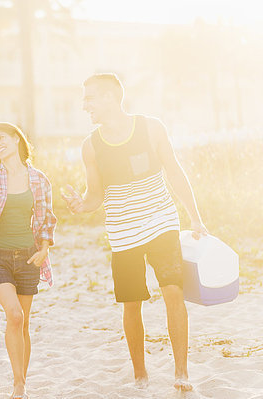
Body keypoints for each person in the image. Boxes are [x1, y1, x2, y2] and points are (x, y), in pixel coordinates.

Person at [62, 73, 208, 391]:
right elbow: (95, 195)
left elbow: (174, 171)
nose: (85, 105)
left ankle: (181, 372)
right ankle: (140, 374)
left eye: (90, 98)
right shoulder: (91, 147)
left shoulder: (151, 127)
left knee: (173, 291)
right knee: (132, 303)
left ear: (112, 97)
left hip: (161, 221)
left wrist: (195, 217)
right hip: (123, 231)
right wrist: (80, 205)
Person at [0, 122, 57, 399]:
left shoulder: (39, 179)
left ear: (17, 139)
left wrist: (44, 248)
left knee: (23, 323)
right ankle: (18, 384)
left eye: (1, 138)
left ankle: (21, 382)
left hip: (28, 258)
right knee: (15, 314)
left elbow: (46, 220)